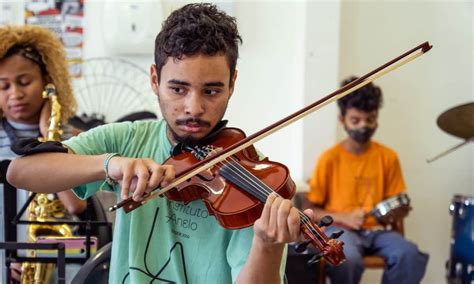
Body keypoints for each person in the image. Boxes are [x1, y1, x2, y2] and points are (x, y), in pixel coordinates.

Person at [7, 3, 310, 283]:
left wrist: (267, 246)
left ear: (232, 83)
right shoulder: (130, 140)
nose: (193, 107)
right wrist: (110, 164)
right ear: (155, 79)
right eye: (178, 89)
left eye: (212, 91)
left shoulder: (255, 178)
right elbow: (20, 172)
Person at [306, 76, 429, 284]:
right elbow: (311, 212)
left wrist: (397, 212)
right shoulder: (329, 159)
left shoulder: (388, 157)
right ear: (342, 119)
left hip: (378, 232)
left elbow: (394, 206)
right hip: (342, 231)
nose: (363, 126)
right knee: (347, 259)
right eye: (356, 120)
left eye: (370, 119)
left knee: (408, 254)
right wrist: (343, 217)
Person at [0, 25, 87, 281]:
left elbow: (76, 203)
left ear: (48, 80)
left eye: (24, 82)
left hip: (61, 267)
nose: (15, 94)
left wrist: (50, 138)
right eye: (3, 86)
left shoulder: (74, 137)